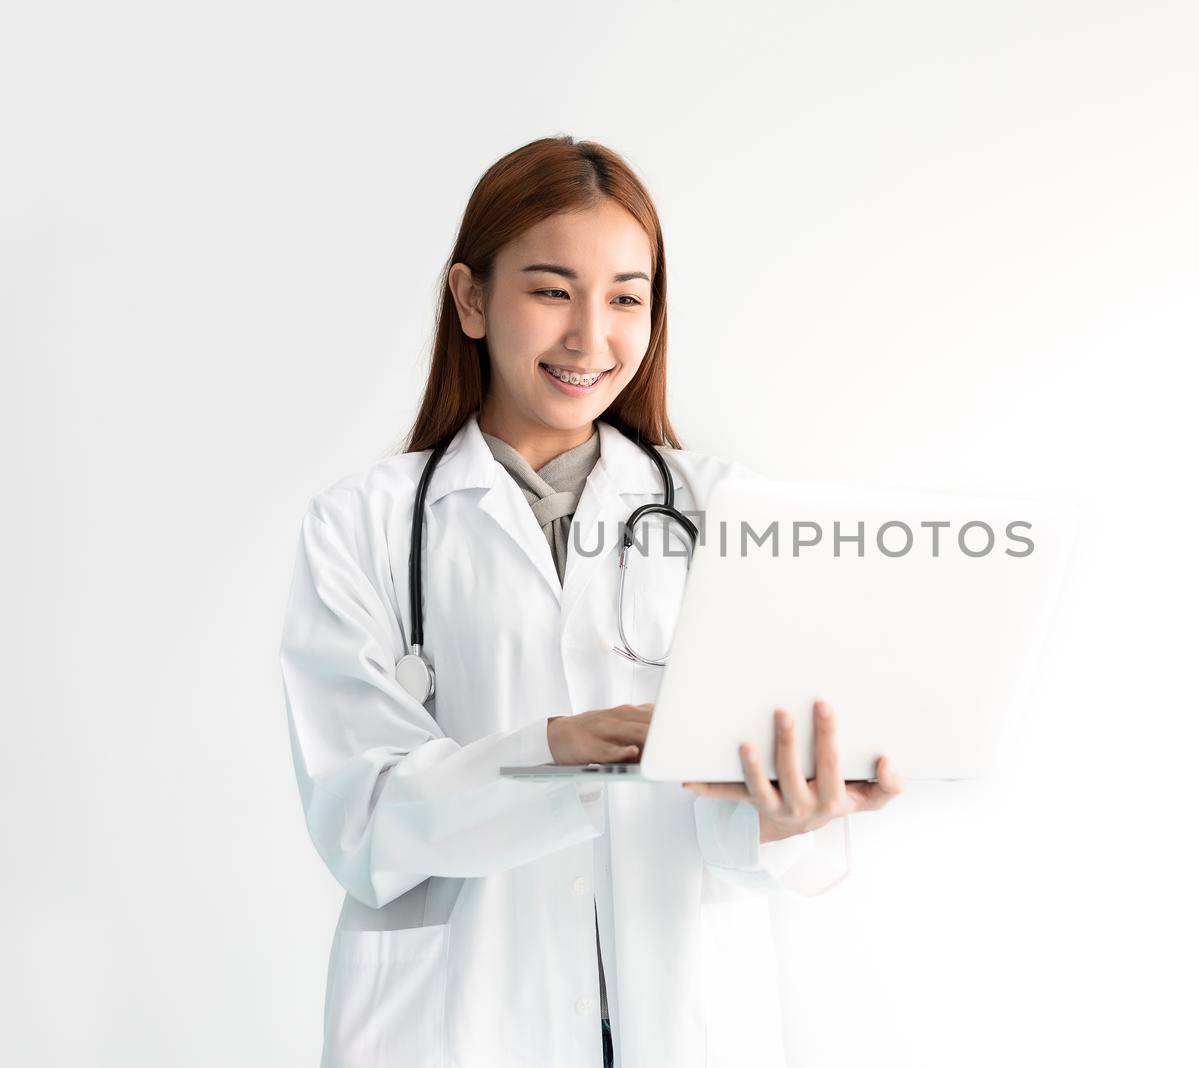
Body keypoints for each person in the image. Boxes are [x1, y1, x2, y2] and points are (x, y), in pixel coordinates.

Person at [277, 135, 905, 1068]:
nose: (590, 338)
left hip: (685, 1017)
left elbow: (747, 833)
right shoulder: (362, 525)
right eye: (552, 291)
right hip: (457, 1026)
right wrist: (553, 749)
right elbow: (362, 825)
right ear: (472, 299)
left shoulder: (730, 513)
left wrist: (789, 812)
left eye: (625, 298)